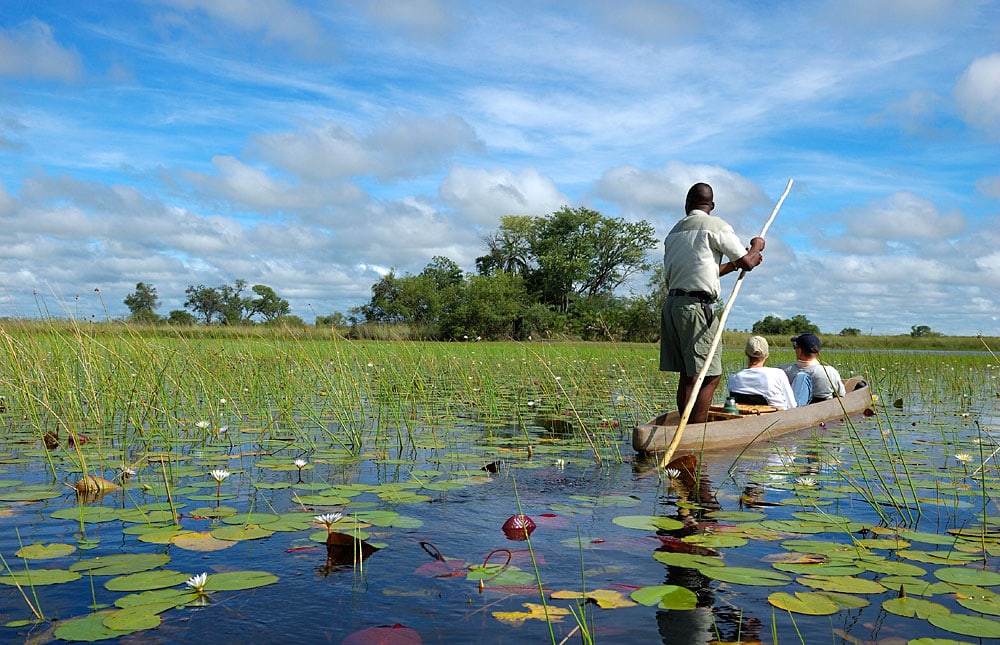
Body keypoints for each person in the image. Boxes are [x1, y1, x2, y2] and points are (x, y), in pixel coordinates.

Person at [660, 182, 765, 423]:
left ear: (687, 205)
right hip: (697, 308)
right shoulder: (715, 225)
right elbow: (748, 261)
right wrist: (756, 245)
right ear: (712, 206)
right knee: (709, 375)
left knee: (688, 374)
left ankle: (685, 428)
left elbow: (706, 271)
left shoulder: (675, 231)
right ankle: (695, 431)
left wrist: (738, 263)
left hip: (673, 307)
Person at [727, 336, 797, 409]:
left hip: (747, 416)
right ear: (767, 355)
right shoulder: (778, 374)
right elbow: (792, 405)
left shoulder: (733, 378)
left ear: (746, 353)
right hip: (778, 417)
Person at [780, 333, 845, 406]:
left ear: (800, 351)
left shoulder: (782, 371)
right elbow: (841, 395)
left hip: (794, 411)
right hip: (825, 411)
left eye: (795, 347)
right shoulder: (830, 372)